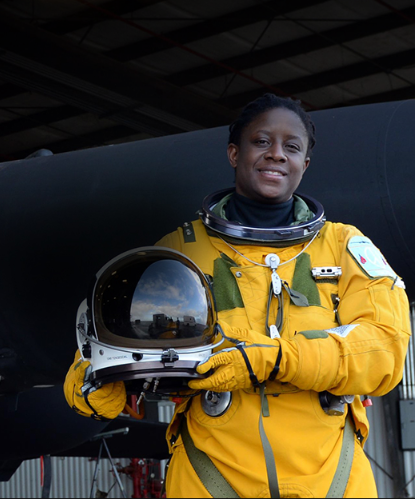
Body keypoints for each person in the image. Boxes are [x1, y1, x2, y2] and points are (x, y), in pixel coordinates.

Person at [64, 93, 411, 498]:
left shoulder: (345, 246)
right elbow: (108, 350)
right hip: (211, 472)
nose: (277, 155)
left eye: (291, 147)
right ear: (234, 153)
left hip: (332, 473)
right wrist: (94, 387)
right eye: (261, 142)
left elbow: (385, 350)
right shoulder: (179, 253)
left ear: (305, 164)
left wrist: (276, 358)